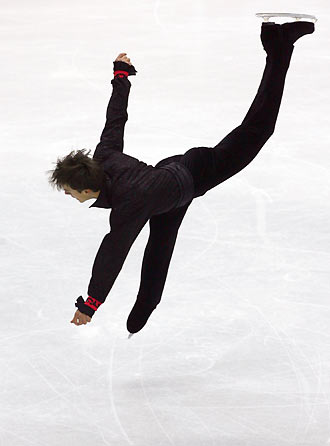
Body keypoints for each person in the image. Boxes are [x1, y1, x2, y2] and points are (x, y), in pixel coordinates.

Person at [47, 20, 315, 333]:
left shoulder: (129, 202)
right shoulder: (104, 156)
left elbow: (113, 251)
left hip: (196, 173)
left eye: (68, 190)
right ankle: (146, 305)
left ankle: (279, 47)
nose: (67, 195)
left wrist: (91, 303)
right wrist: (120, 76)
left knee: (258, 128)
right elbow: (115, 119)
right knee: (160, 244)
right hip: (166, 184)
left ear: (86, 187)